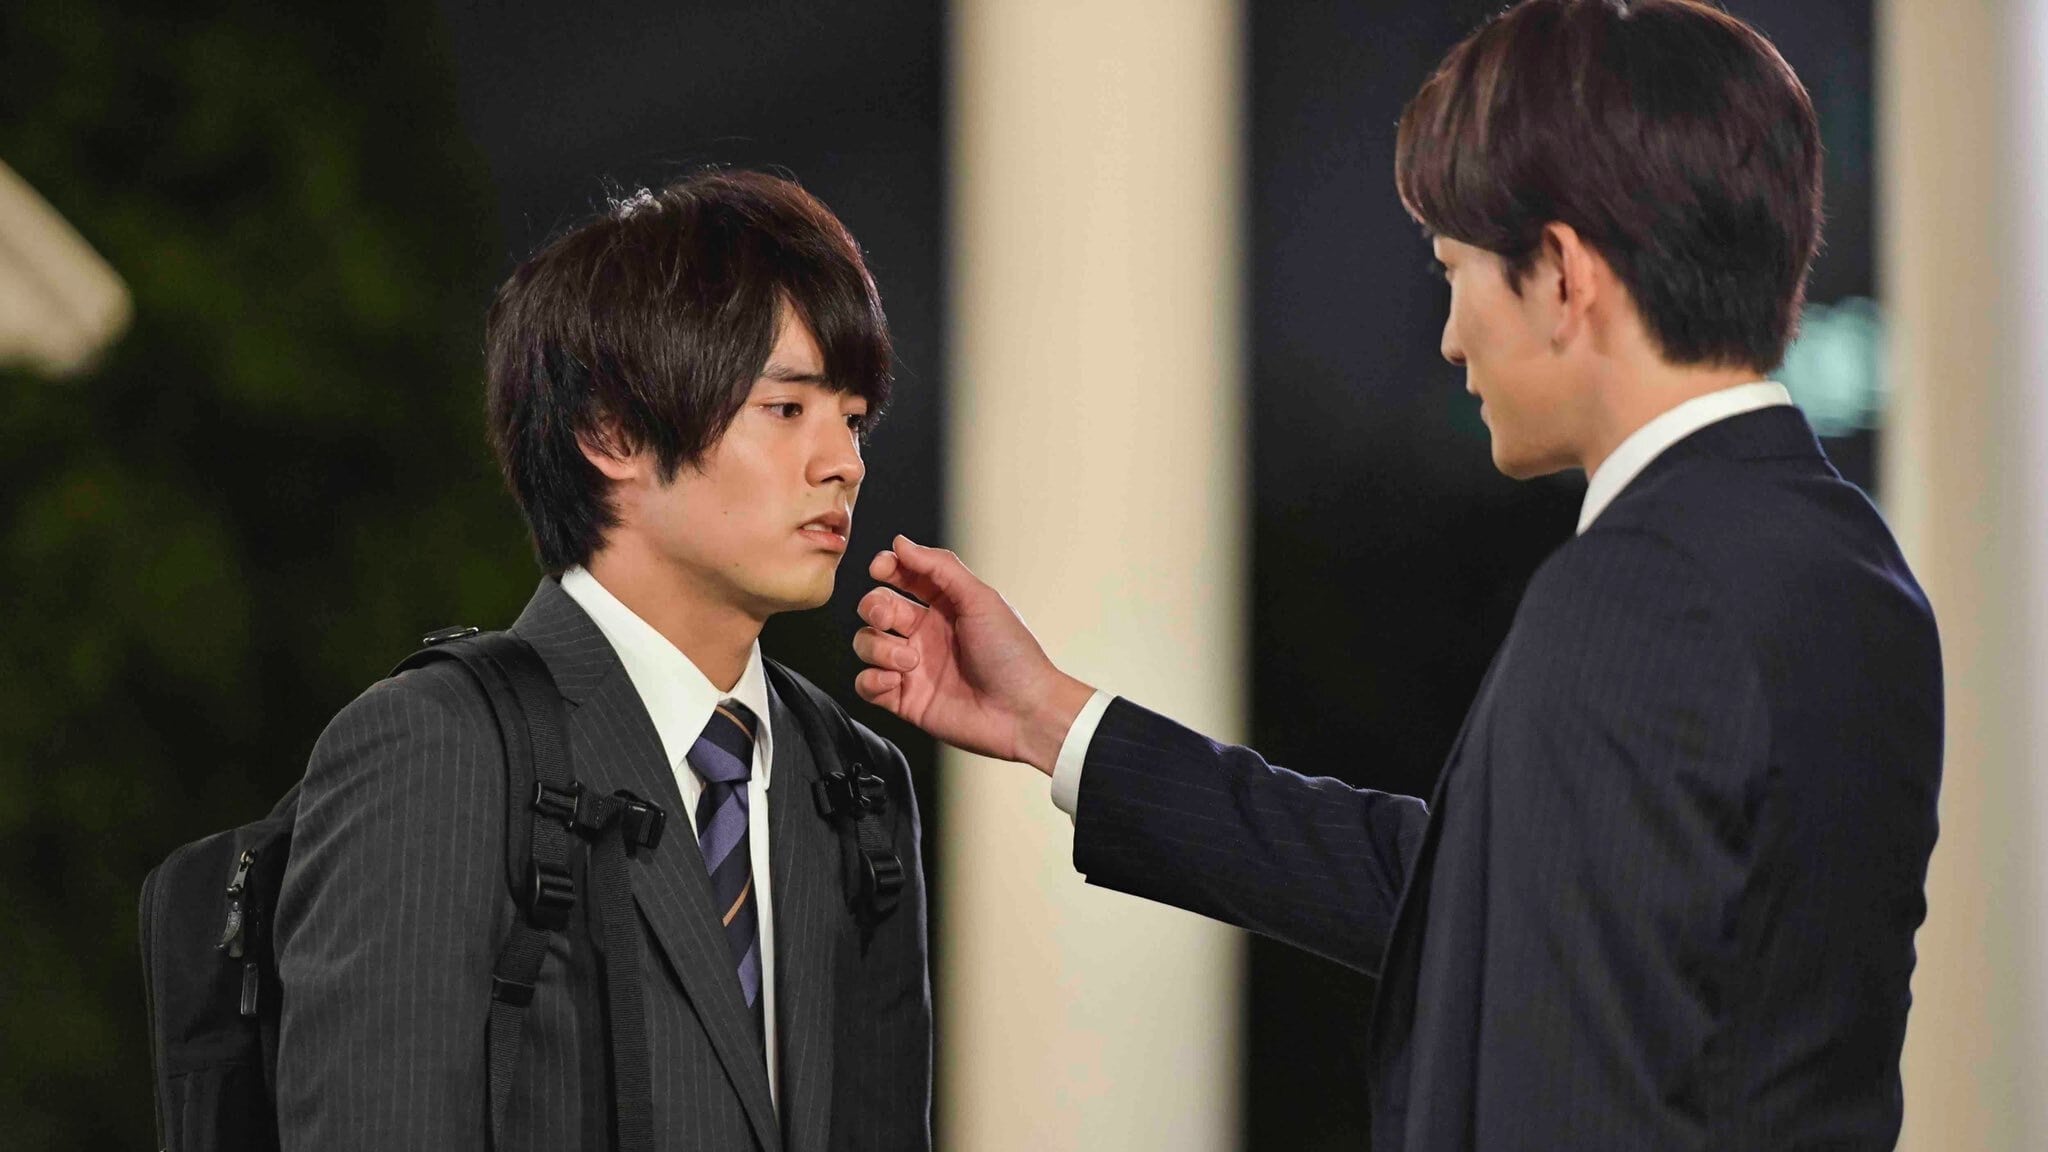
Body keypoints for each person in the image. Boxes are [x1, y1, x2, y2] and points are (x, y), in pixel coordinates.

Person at [849, 2, 1942, 1148]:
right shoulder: (1851, 568)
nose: (1449, 335)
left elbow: (1569, 1083)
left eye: (1454, 270)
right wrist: (1053, 721)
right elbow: (1469, 906)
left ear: (1560, 275)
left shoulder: (1637, 590)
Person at [274, 170, 931, 1152]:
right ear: (611, 432)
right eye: (787, 408)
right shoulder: (437, 745)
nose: (844, 462)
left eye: (854, 416)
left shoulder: (857, 781)